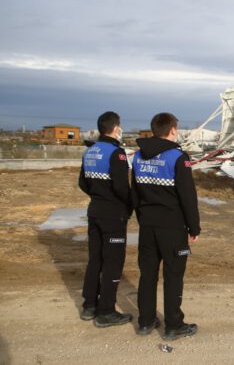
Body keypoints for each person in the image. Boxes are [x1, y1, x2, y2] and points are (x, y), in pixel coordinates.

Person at [132, 113, 200, 340]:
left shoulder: (138, 157)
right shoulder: (178, 158)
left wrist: (143, 219)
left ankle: (145, 321)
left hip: (148, 226)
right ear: (172, 130)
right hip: (172, 228)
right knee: (173, 275)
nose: (177, 132)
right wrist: (194, 228)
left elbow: (135, 193)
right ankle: (174, 325)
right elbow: (188, 197)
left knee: (147, 274)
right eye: (177, 129)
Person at [78, 111, 133, 327]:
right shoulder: (116, 153)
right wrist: (129, 207)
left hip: (95, 211)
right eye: (119, 127)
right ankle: (106, 311)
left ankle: (89, 306)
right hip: (113, 215)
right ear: (116, 128)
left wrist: (97, 195)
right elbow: (122, 187)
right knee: (113, 262)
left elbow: (82, 183)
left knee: (95, 259)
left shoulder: (90, 151)